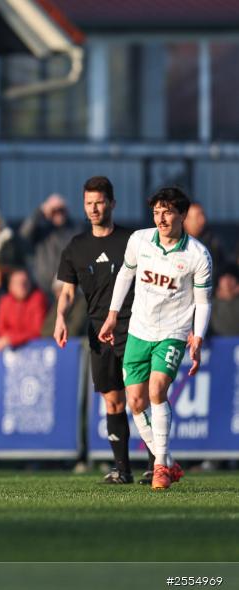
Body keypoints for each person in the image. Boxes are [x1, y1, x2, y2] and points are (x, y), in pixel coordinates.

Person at [99, 186, 213, 490]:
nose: (161, 218)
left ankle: (160, 467)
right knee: (135, 402)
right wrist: (112, 315)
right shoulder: (139, 240)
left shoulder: (197, 255)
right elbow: (125, 275)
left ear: (182, 215)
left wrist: (197, 337)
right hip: (139, 329)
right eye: (156, 212)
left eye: (167, 212)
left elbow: (203, 302)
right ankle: (170, 461)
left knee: (157, 390)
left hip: (173, 333)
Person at [54, 176, 143, 484]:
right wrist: (60, 318)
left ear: (112, 204)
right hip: (98, 332)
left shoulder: (132, 242)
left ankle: (159, 466)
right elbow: (67, 291)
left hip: (134, 327)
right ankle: (123, 469)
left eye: (99, 202)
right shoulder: (76, 247)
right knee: (113, 401)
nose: (94, 209)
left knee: (140, 398)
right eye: (89, 203)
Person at [20, 193, 81, 293]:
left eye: (61, 210)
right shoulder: (41, 230)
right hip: (44, 286)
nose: (58, 214)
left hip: (67, 286)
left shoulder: (75, 229)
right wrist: (41, 211)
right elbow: (24, 235)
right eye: (54, 211)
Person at [0, 269, 48, 351]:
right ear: (10, 286)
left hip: (35, 349)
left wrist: (11, 339)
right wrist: (10, 338)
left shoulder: (38, 299)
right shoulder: (5, 301)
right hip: (13, 350)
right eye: (17, 283)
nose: (22, 286)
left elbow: (38, 330)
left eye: (25, 282)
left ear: (30, 284)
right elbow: (0, 329)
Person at [183, 202, 226, 275]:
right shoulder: (175, 242)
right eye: (197, 217)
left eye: (202, 215)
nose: (202, 220)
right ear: (185, 220)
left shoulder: (214, 241)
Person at [210, 265, 239, 336]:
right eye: (224, 277)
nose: (227, 281)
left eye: (231, 277)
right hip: (216, 343)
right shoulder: (210, 304)